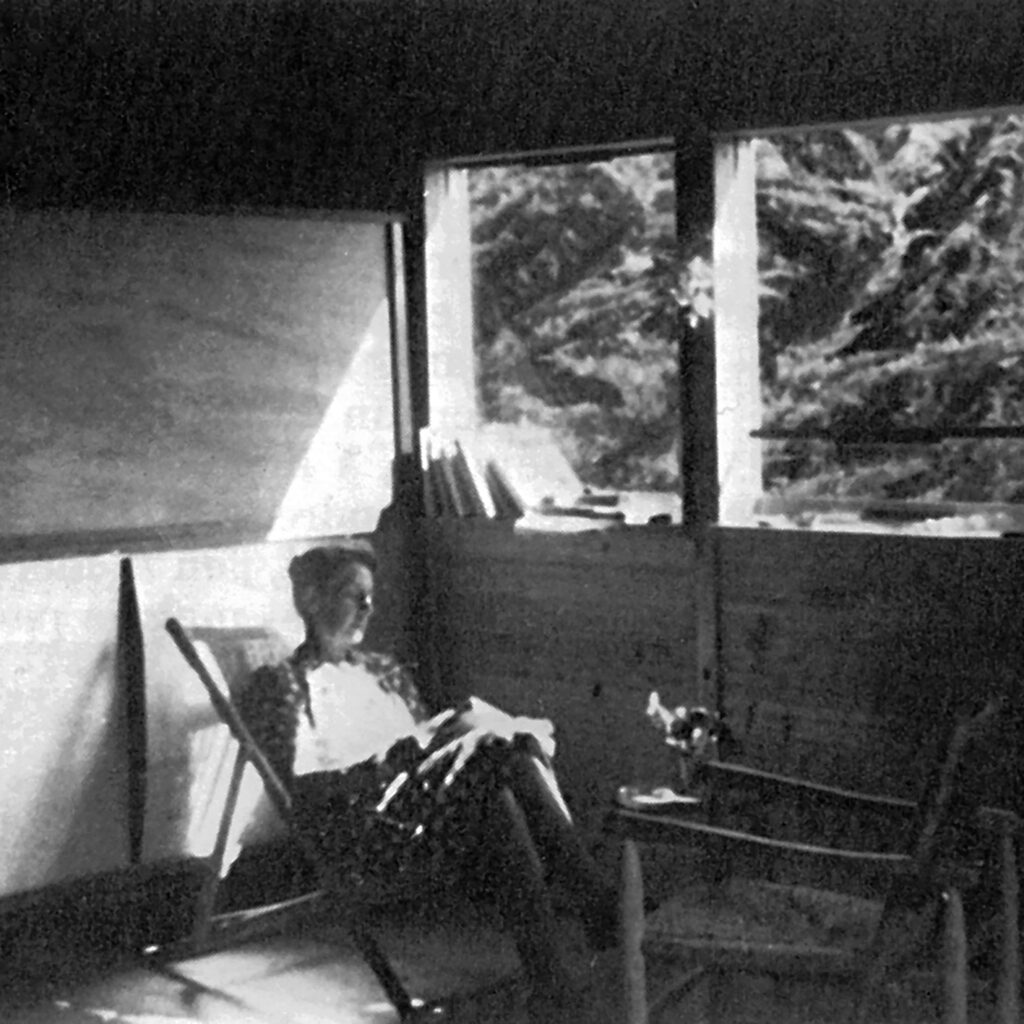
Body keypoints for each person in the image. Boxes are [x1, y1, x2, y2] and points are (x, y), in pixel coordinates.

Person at [234, 539, 617, 1005]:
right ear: (311, 601)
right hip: (361, 826)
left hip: (419, 808)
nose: (368, 608)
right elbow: (302, 790)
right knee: (493, 757)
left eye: (371, 596)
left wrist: (431, 744)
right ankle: (593, 911)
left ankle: (552, 973)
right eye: (354, 595)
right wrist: (395, 760)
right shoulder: (282, 684)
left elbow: (424, 741)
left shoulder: (384, 670)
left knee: (499, 762)